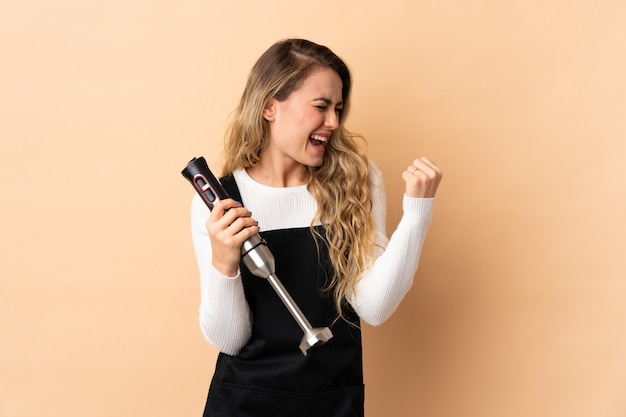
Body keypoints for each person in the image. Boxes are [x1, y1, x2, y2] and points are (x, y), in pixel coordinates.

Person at [190, 38, 442, 417]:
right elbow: (230, 338)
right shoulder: (220, 202)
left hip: (331, 399)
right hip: (244, 402)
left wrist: (418, 212)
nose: (335, 123)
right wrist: (224, 263)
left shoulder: (356, 183)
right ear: (269, 106)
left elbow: (373, 307)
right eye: (321, 107)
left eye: (338, 108)